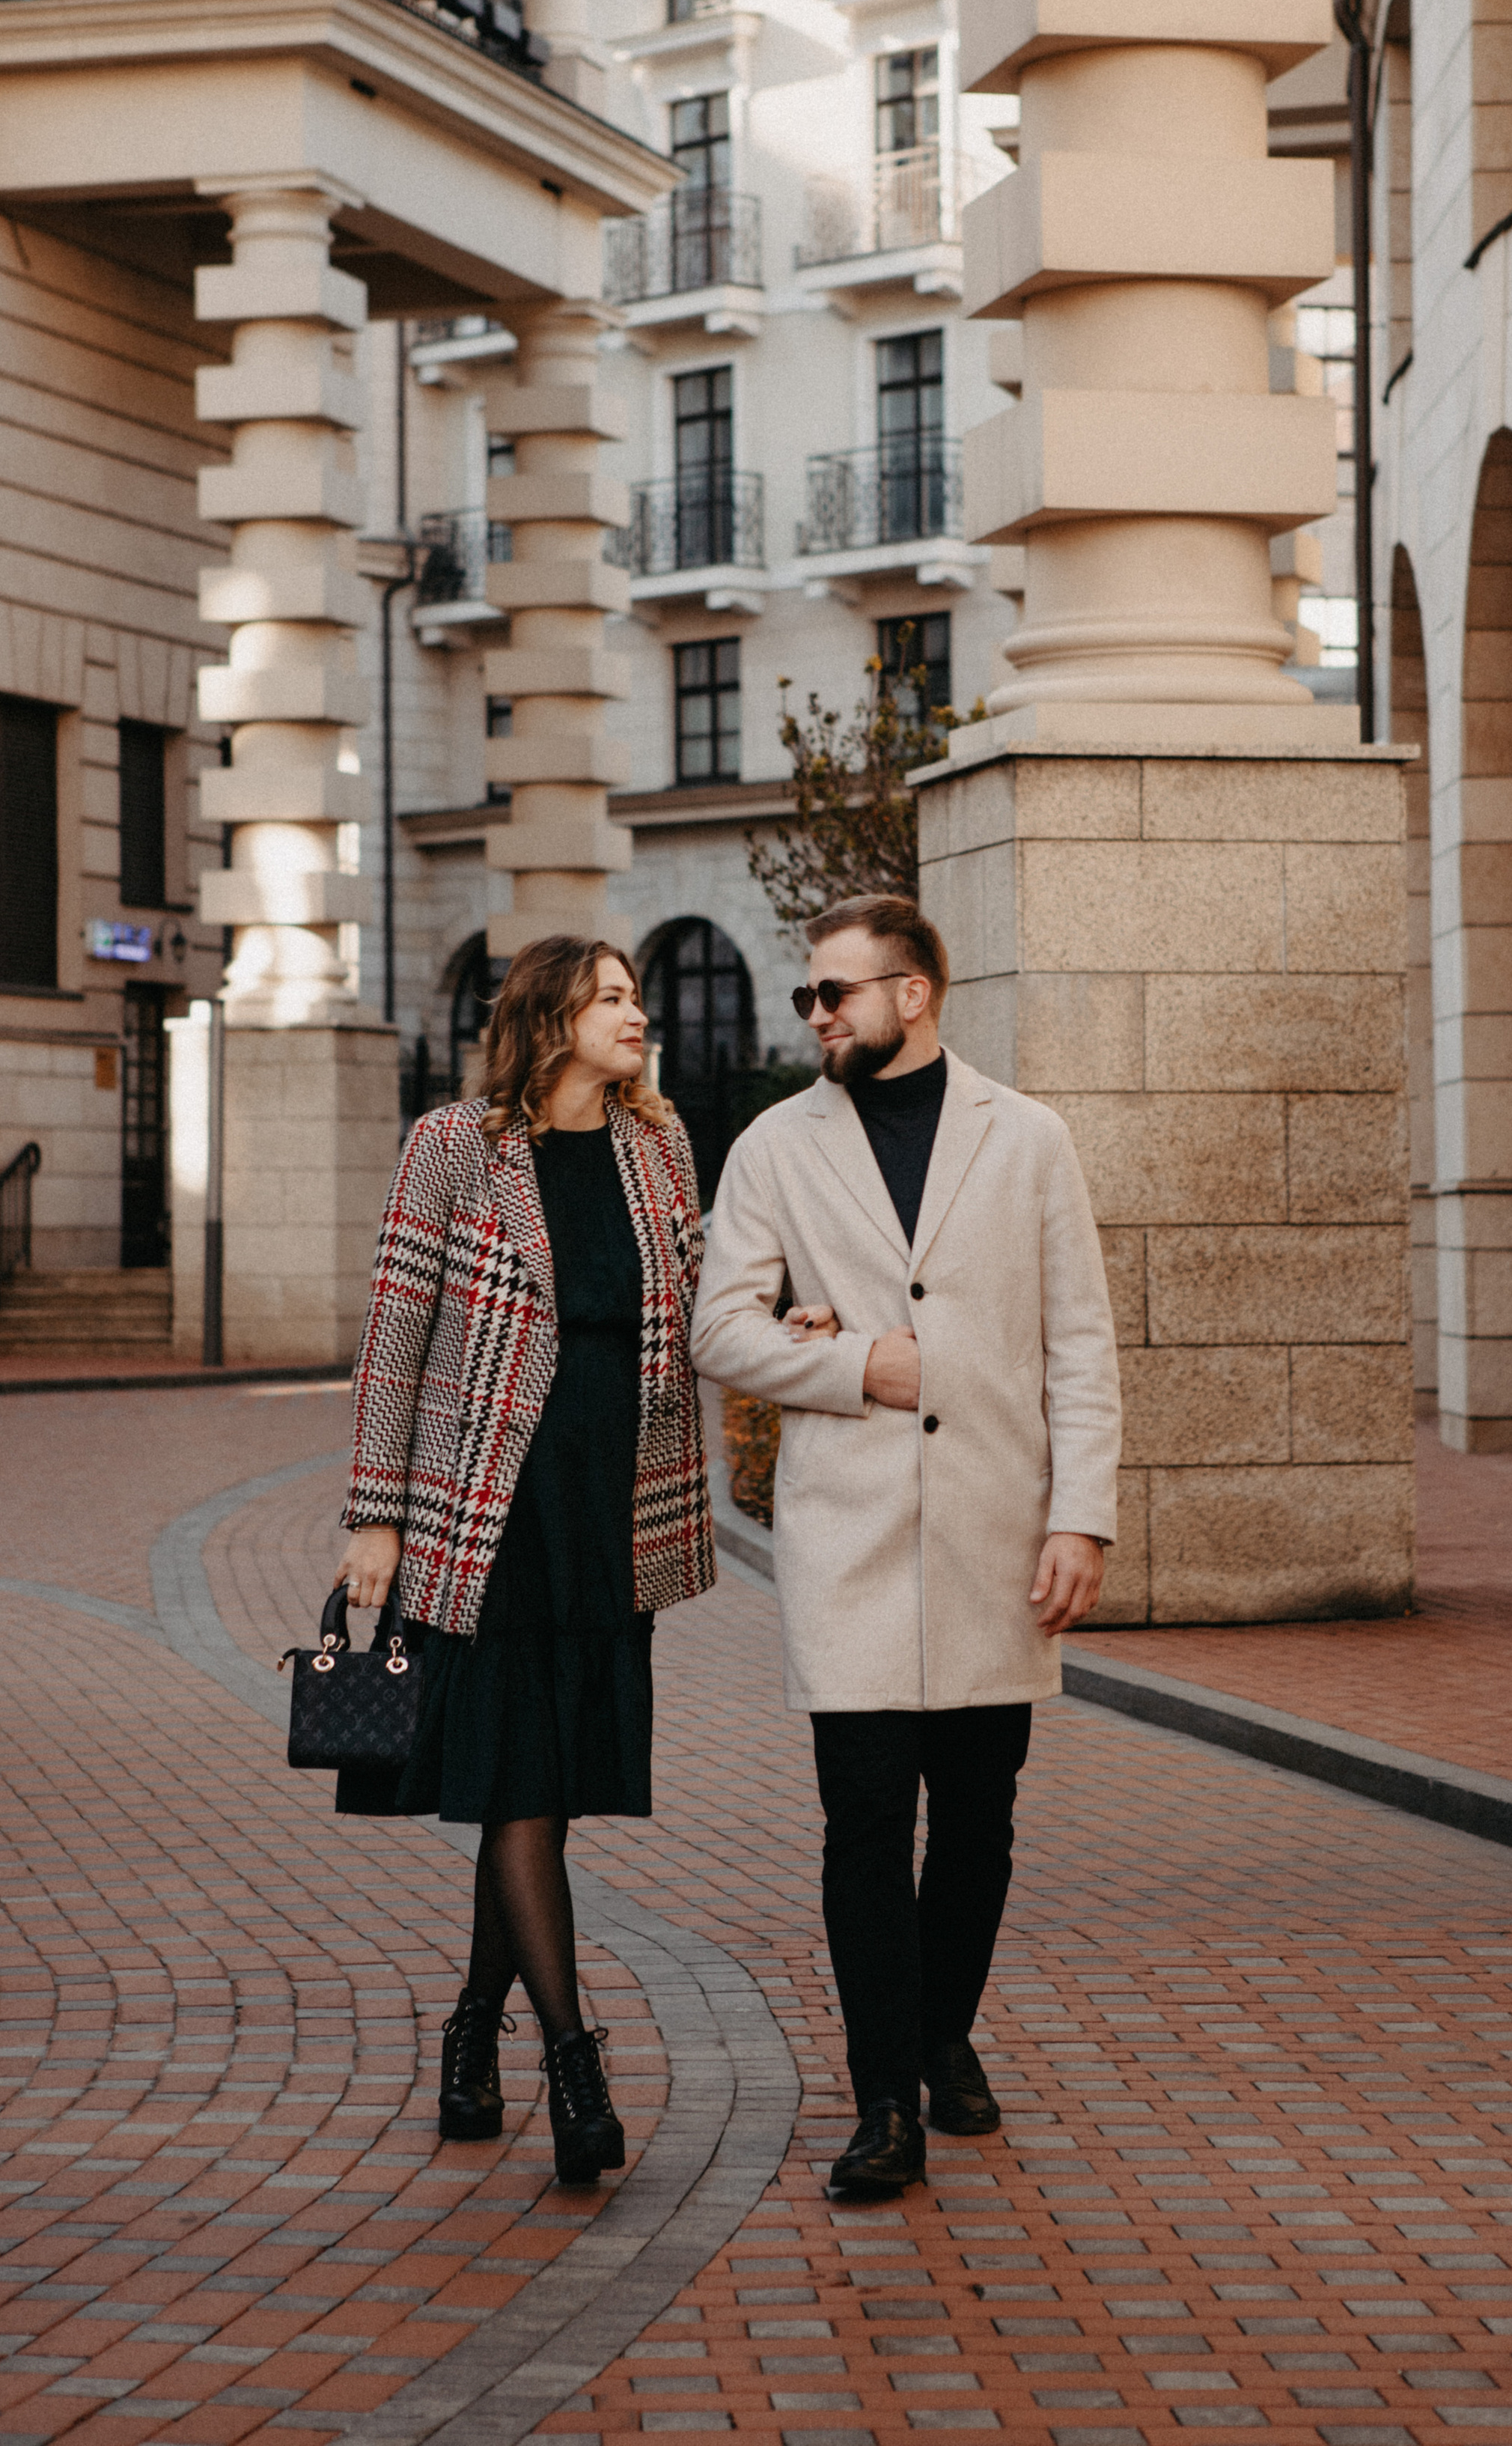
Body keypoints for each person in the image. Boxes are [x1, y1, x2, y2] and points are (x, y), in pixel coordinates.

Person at [690, 892, 1121, 2197]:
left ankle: (943, 2031)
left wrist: (1081, 1516)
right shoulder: (773, 1145)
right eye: (809, 997)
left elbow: (1080, 1346)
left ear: (915, 992)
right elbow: (719, 1330)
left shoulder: (1029, 1138)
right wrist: (853, 1367)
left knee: (978, 1821)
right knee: (863, 1821)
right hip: (850, 1538)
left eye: (840, 994)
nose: (818, 1014)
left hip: (998, 1528)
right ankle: (886, 2102)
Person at [333, 934, 714, 2186]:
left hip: (614, 1511)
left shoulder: (658, 1145)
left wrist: (794, 1317)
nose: (637, 1016)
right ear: (550, 1018)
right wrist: (373, 1514)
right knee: (520, 1787)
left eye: (637, 998)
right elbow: (396, 1333)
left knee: (545, 1793)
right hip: (486, 1513)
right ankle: (572, 2060)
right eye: (612, 998)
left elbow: (702, 1299)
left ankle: (465, 2033)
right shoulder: (455, 1147)